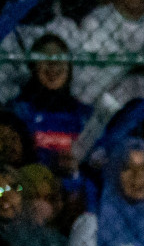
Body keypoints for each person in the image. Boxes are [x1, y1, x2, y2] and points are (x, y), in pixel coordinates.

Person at [9, 34, 93, 172]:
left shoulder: (84, 115)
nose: (53, 65)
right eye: (45, 59)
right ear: (33, 66)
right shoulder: (18, 111)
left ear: (69, 68)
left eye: (59, 59)